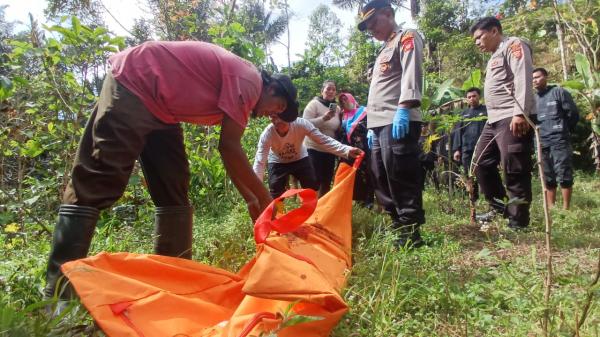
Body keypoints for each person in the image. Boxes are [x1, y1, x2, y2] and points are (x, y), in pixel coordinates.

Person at [44, 41, 300, 304]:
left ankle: (173, 281)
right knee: (100, 177)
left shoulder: (248, 84)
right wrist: (264, 199)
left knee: (173, 184)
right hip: (136, 83)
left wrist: (251, 199)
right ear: (270, 88)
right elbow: (229, 147)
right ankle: (58, 293)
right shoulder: (249, 82)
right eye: (278, 106)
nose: (273, 114)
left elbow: (230, 152)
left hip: (163, 110)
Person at [358, 0, 426, 247]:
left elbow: (411, 73)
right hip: (379, 125)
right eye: (367, 26)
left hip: (397, 119)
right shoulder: (382, 50)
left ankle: (411, 231)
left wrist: (405, 108)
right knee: (380, 176)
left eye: (373, 22)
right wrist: (371, 125)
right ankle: (397, 224)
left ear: (388, 13)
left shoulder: (406, 37)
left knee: (401, 174)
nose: (371, 30)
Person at [470, 17, 535, 230]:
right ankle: (498, 207)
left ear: (495, 31)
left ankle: (518, 221)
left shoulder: (514, 45)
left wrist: (520, 113)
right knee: (480, 163)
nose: (478, 42)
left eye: (480, 37)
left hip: (512, 116)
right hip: (494, 119)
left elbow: (522, 77)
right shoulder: (493, 56)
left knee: (514, 169)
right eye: (475, 40)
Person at [253, 115, 362, 199]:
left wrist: (346, 150)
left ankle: (311, 214)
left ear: (289, 114)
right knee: (276, 192)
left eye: (281, 117)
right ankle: (278, 216)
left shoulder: (301, 124)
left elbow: (323, 140)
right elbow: (260, 161)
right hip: (277, 161)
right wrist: (255, 189)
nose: (277, 121)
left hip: (300, 158)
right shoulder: (267, 134)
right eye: (273, 118)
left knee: (311, 186)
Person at [533, 67, 579, 209]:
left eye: (538, 77)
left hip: (559, 140)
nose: (535, 80)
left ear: (546, 77)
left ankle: (566, 208)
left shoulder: (558, 92)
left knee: (564, 172)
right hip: (541, 142)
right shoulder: (532, 99)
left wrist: (564, 130)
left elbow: (573, 114)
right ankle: (551, 207)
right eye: (533, 78)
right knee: (547, 176)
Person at [302, 80, 342, 196]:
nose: (330, 91)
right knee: (314, 180)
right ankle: (310, 207)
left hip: (330, 149)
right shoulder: (314, 104)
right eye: (328, 89)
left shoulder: (337, 109)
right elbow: (304, 124)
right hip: (313, 148)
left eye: (333, 89)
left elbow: (336, 128)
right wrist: (323, 119)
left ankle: (322, 209)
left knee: (326, 181)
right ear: (322, 91)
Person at [452, 87, 488, 202]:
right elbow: (458, 132)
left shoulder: (486, 111)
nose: (472, 99)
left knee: (485, 173)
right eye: (469, 97)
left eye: (474, 96)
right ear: (467, 99)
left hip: (483, 148)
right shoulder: (463, 114)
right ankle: (473, 199)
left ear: (479, 97)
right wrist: (457, 149)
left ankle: (488, 199)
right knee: (469, 175)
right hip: (467, 149)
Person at [338, 93, 374, 207]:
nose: (344, 102)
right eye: (341, 101)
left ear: (352, 99)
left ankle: (369, 201)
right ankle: (358, 200)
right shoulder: (343, 116)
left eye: (345, 99)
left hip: (365, 149)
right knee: (354, 175)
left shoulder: (365, 111)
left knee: (367, 174)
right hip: (350, 152)